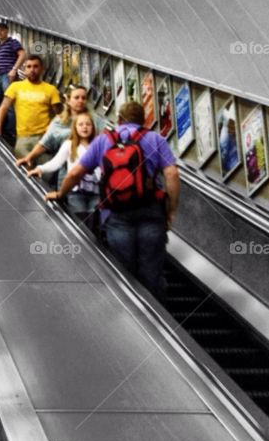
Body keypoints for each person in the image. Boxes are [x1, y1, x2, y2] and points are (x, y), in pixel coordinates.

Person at [47, 101, 179, 297]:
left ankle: (129, 311)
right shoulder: (155, 139)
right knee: (152, 270)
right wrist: (171, 210)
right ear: (144, 120)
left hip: (117, 213)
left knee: (123, 270)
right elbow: (172, 174)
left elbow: (75, 173)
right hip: (151, 211)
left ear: (118, 120)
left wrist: (60, 194)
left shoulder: (103, 140)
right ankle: (156, 312)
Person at [15, 86, 105, 183]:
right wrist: (29, 157)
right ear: (68, 100)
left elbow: (104, 142)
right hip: (67, 171)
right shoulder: (59, 122)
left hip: (93, 172)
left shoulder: (96, 119)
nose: (80, 101)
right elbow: (45, 143)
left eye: (84, 98)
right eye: (76, 97)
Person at [27, 113, 100, 229]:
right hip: (76, 192)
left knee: (93, 223)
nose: (85, 127)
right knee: (81, 222)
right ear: (75, 127)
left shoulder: (98, 145)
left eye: (88, 124)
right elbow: (56, 162)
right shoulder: (69, 145)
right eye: (81, 124)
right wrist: (40, 168)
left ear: (93, 127)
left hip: (96, 192)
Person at [0, 55, 62, 161]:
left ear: (42, 69)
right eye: (29, 66)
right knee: (22, 168)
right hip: (23, 137)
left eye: (35, 66)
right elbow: (3, 107)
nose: (32, 70)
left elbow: (58, 115)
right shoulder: (15, 86)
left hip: (43, 139)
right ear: (24, 69)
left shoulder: (51, 89)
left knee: (44, 170)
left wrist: (51, 129)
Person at [0, 24, 26, 136]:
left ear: (7, 31)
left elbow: (22, 54)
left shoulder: (12, 42)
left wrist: (14, 69)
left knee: (10, 105)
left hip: (8, 76)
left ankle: (11, 132)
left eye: (2, 30)